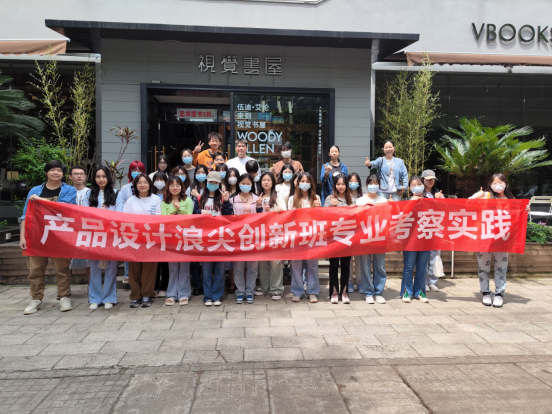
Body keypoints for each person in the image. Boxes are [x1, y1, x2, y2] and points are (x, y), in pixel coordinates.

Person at [20, 160, 77, 315]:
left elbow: (62, 207)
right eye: (52, 170)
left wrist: (38, 200)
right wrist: (23, 237)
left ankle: (64, 297)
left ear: (63, 174)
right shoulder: (35, 190)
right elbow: (25, 215)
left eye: (59, 170)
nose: (55, 172)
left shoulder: (70, 190)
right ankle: (36, 299)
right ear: (46, 172)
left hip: (60, 236)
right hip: (37, 236)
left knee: (62, 269)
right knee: (35, 270)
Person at [469, 173, 529, 308]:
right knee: (483, 267)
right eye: (494, 183)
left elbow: (517, 218)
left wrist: (525, 210)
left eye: (501, 182)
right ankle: (485, 292)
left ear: (506, 184)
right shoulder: (486, 196)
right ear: (490, 185)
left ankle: (499, 294)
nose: (498, 185)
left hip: (502, 238)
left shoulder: (512, 199)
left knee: (501, 268)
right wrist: (476, 196)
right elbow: (467, 204)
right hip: (485, 237)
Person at [83, 165, 119, 310]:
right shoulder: (88, 194)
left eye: (104, 176)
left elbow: (120, 214)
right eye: (98, 176)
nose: (101, 179)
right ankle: (94, 298)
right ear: (94, 178)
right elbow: (85, 214)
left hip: (111, 236)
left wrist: (107, 215)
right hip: (94, 235)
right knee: (94, 268)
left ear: (108, 178)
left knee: (112, 268)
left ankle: (109, 297)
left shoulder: (116, 193)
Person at [194, 171, 233, 306]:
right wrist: (200, 212)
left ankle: (217, 295)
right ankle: (207, 296)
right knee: (206, 270)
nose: (213, 184)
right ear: (206, 182)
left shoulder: (222, 198)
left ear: (219, 184)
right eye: (211, 182)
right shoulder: (200, 199)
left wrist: (226, 202)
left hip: (220, 237)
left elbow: (229, 216)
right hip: (205, 238)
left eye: (216, 183)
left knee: (220, 270)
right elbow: (192, 216)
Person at [123, 173, 161, 308]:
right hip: (134, 239)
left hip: (151, 239)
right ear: (135, 185)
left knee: (149, 268)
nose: (142, 185)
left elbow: (158, 218)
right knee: (134, 268)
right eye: (139, 182)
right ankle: (135, 295)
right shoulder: (130, 201)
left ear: (150, 184)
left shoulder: (156, 199)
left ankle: (147, 294)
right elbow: (125, 220)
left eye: (145, 182)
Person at [229, 173, 263, 304]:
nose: (245, 185)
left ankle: (249, 291)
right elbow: (227, 216)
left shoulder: (257, 198)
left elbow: (262, 218)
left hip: (253, 237)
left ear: (252, 185)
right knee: (238, 267)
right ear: (238, 184)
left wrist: (259, 206)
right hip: (238, 237)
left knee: (252, 267)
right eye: (243, 183)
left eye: (248, 183)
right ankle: (240, 291)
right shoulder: (233, 199)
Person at [288, 172, 321, 303]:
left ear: (311, 184)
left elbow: (321, 218)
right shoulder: (292, 199)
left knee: (313, 265)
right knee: (296, 265)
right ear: (298, 183)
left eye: (308, 182)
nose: (305, 184)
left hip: (312, 236)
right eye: (302, 181)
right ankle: (297, 291)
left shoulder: (316, 198)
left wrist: (318, 209)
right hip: (297, 237)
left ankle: (312, 291)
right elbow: (288, 218)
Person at [356, 175, 390, 304]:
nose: (373, 186)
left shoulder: (383, 200)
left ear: (379, 186)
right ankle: (368, 292)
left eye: (376, 183)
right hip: (365, 237)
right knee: (365, 266)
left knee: (380, 266)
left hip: (380, 237)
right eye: (371, 183)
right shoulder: (360, 200)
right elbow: (356, 217)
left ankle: (379, 292)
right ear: (366, 185)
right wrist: (365, 208)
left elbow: (387, 217)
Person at [161, 175, 193, 306]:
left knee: (184, 267)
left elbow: (190, 220)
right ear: (168, 187)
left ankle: (184, 293)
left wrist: (179, 209)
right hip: (171, 238)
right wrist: (175, 210)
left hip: (185, 238)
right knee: (173, 268)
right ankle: (171, 294)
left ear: (182, 187)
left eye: (177, 185)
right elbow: (164, 221)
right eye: (172, 185)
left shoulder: (188, 201)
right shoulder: (164, 203)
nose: (175, 188)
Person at [255, 172, 285, 300]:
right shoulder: (256, 196)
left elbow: (285, 212)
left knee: (276, 262)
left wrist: (275, 211)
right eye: (264, 180)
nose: (266, 182)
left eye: (269, 180)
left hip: (275, 233)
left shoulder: (278, 196)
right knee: (262, 262)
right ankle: (264, 287)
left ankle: (276, 289)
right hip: (261, 233)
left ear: (273, 182)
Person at [400, 176, 430, 304]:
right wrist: (411, 201)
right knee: (409, 266)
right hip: (410, 239)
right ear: (409, 188)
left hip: (425, 238)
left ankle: (420, 292)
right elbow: (401, 215)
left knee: (422, 267)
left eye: (419, 184)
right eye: (413, 185)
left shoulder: (429, 200)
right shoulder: (405, 200)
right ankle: (407, 292)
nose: (417, 187)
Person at [324, 173, 352, 304]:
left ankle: (344, 292)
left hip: (348, 237)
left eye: (343, 184)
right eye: (338, 184)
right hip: (334, 237)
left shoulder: (351, 200)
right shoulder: (329, 199)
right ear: (334, 185)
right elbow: (323, 216)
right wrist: (332, 207)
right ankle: (334, 292)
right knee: (333, 265)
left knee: (346, 265)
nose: (341, 186)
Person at [117, 161, 146, 285]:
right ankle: (127, 274)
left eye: (139, 170)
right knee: (129, 248)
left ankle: (141, 275)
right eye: (134, 170)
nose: (137, 173)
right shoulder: (125, 188)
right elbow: (122, 205)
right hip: (130, 224)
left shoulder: (146, 186)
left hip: (144, 225)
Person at [421, 169, 445, 293]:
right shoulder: (419, 193)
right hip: (423, 227)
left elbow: (446, 208)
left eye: (432, 179)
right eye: (428, 179)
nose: (430, 181)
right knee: (424, 256)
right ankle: (424, 282)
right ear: (423, 180)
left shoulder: (439, 193)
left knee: (435, 255)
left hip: (436, 227)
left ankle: (433, 281)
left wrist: (439, 199)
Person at [68, 165, 90, 281]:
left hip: (86, 230)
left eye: (81, 174)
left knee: (89, 259)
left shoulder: (90, 192)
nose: (79, 176)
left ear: (85, 176)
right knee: (67, 259)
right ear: (70, 176)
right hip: (69, 229)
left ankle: (91, 287)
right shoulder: (66, 192)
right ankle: (66, 288)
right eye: (76, 174)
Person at [223, 166, 240, 293]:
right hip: (228, 228)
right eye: (230, 176)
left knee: (240, 256)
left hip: (241, 229)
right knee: (229, 257)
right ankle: (233, 282)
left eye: (234, 175)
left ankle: (242, 282)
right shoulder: (224, 191)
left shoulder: (241, 191)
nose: (232, 178)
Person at [347, 172, 363, 294]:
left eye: (355, 181)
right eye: (351, 181)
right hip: (347, 231)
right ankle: (349, 281)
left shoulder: (363, 197)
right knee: (347, 258)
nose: (353, 183)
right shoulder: (345, 196)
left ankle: (360, 281)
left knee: (359, 258)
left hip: (359, 231)